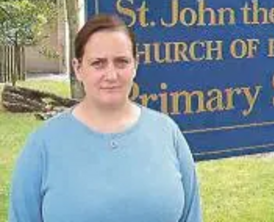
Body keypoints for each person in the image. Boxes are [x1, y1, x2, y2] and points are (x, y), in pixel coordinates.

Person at [9, 14, 202, 222]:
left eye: (121, 62)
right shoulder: (43, 145)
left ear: (135, 66)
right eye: (98, 63)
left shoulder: (167, 133)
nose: (111, 75)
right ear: (78, 68)